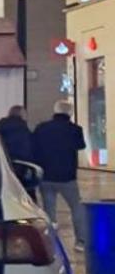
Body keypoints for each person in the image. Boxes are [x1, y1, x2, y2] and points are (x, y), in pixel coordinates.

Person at [34, 100, 89, 250]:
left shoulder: (41, 128)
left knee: (49, 211)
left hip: (46, 176)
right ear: (70, 113)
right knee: (76, 208)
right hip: (67, 176)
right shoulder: (75, 129)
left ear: (55, 110)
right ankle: (81, 242)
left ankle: (49, 242)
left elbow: (34, 145)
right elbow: (81, 145)